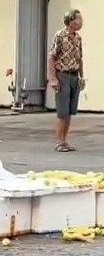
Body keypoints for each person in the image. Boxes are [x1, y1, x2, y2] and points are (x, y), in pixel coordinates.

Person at [47, 9, 85, 152]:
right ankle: (59, 142)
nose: (81, 22)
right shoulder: (60, 36)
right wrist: (52, 79)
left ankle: (65, 140)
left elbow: (79, 58)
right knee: (62, 111)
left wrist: (81, 76)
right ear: (70, 21)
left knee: (70, 110)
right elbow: (51, 57)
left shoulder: (78, 38)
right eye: (79, 19)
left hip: (74, 75)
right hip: (62, 75)